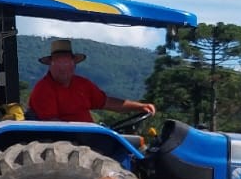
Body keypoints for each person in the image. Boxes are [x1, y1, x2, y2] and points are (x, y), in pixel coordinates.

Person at [26, 38, 156, 124]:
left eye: (66, 62)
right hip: (69, 142)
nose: (63, 67)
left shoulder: (83, 84)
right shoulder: (43, 89)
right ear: (50, 64)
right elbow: (54, 125)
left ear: (74, 64)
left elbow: (107, 102)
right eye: (58, 62)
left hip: (89, 137)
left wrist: (140, 107)